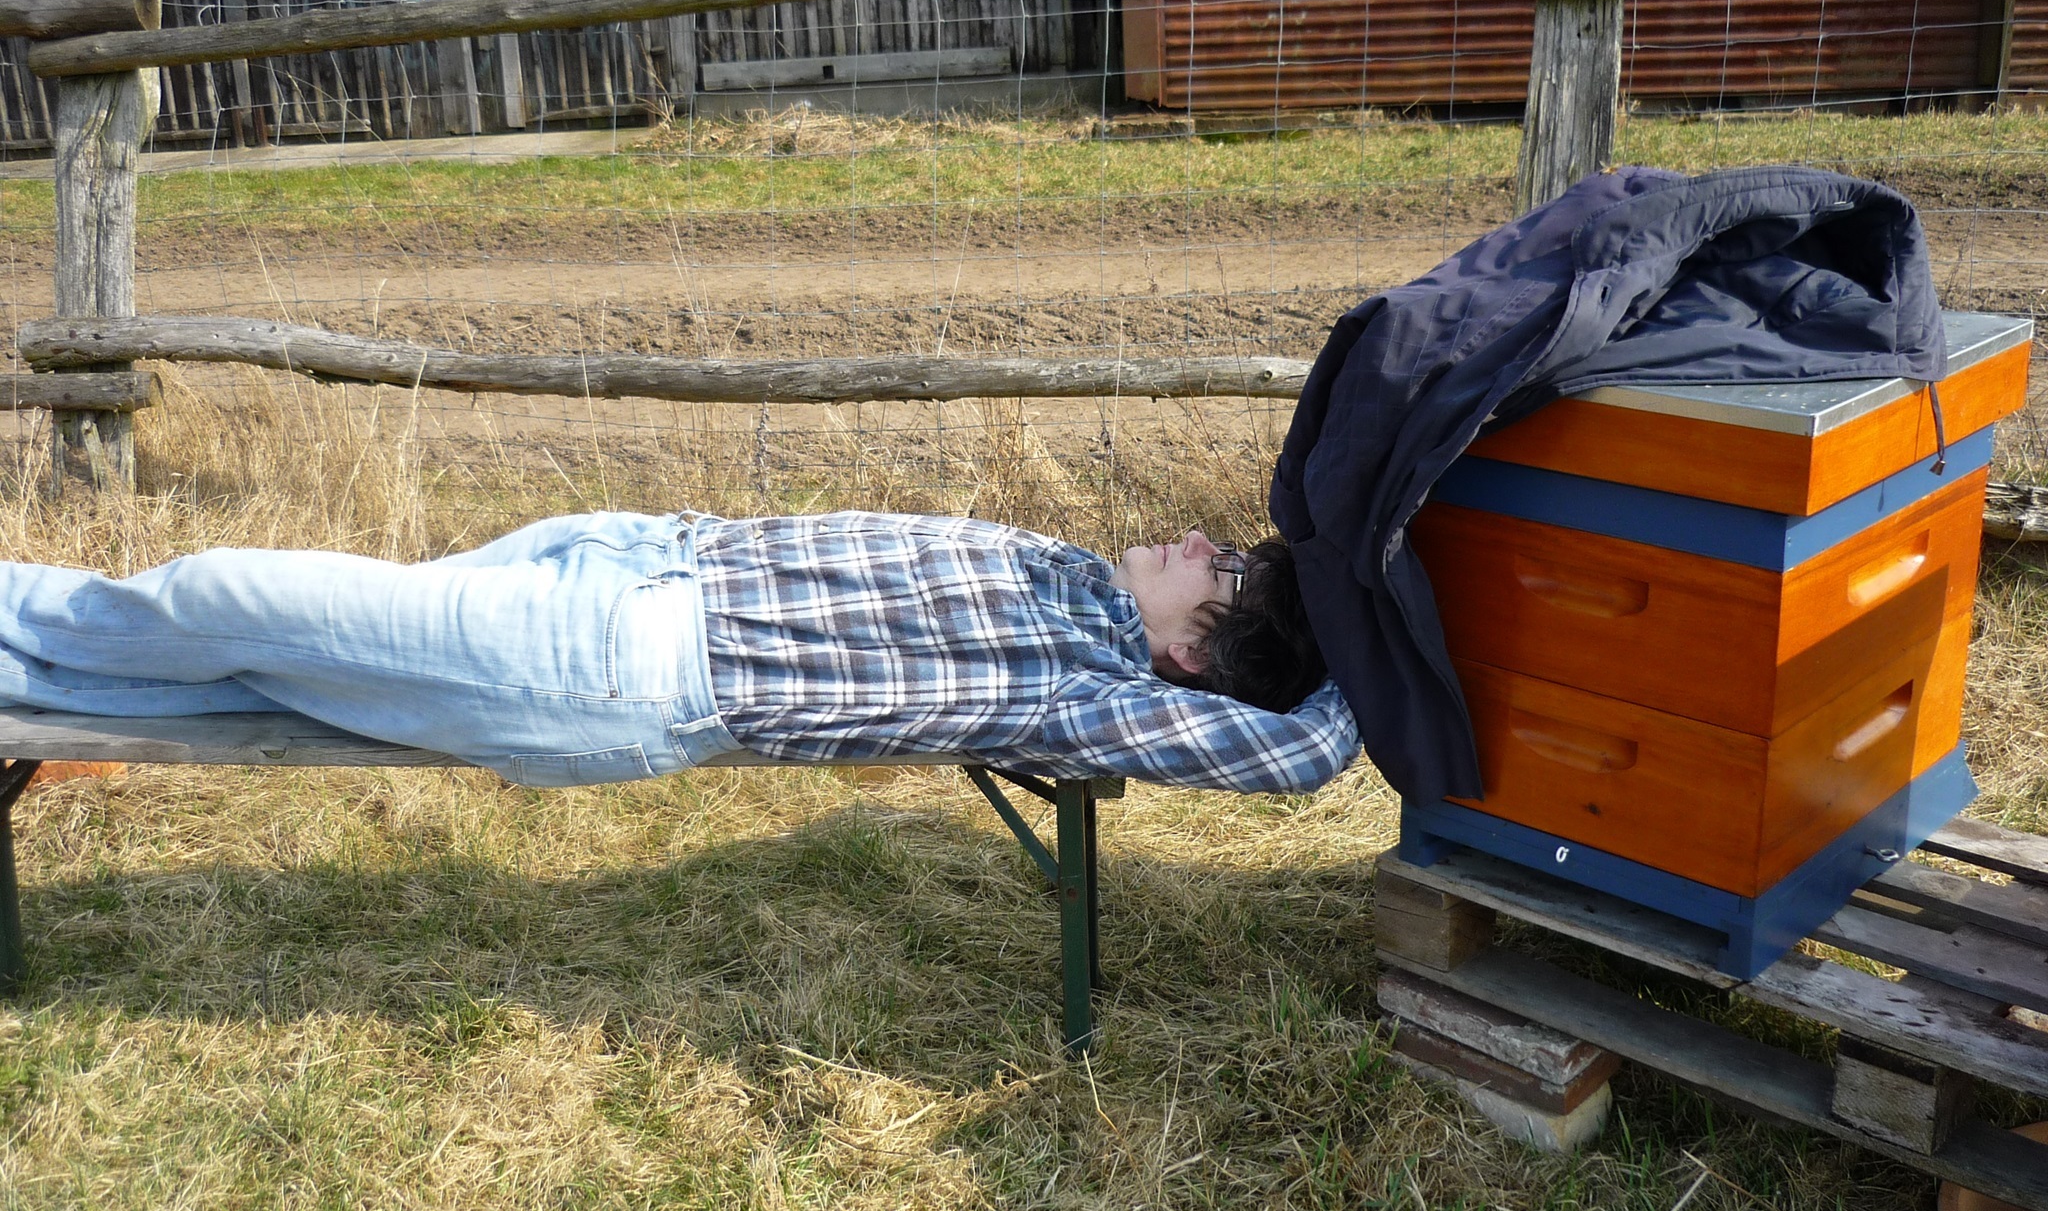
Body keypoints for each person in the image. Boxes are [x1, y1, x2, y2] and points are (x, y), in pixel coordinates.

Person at [0, 510, 1358, 794]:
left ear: (1199, 658)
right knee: (267, 671)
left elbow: (1295, 761)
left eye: (1228, 573)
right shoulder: (1074, 575)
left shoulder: (1087, 696)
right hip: (627, 556)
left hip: (608, 661)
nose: (1201, 542)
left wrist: (1375, 654)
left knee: (226, 595)